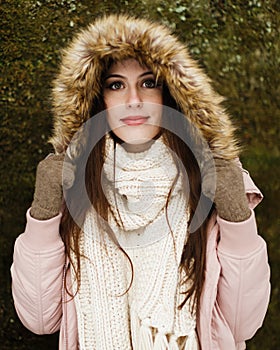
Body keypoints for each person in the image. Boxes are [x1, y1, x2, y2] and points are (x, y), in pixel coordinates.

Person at [11, 14, 270, 350]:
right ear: (97, 99)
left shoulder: (210, 185)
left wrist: (236, 217)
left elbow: (242, 323)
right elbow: (40, 319)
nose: (133, 99)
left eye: (148, 83)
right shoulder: (73, 188)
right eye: (116, 85)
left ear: (171, 95)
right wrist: (44, 213)